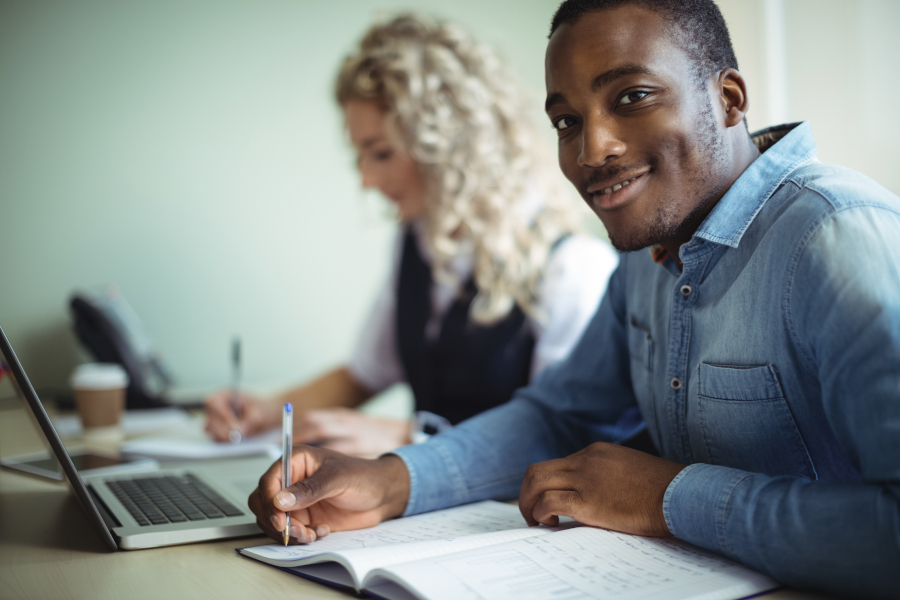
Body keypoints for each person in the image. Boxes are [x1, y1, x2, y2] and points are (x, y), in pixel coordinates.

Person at [247, 1, 900, 597]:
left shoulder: (838, 241)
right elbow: (558, 416)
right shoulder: (649, 255)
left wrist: (667, 498)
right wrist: (389, 481)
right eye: (567, 120)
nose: (593, 149)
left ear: (728, 99)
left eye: (632, 96)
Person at [205, 14, 618, 457]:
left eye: (380, 153)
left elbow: (564, 438)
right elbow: (365, 374)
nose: (366, 180)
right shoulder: (418, 242)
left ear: (448, 145)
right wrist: (270, 408)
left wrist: (410, 437)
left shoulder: (573, 268)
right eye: (359, 156)